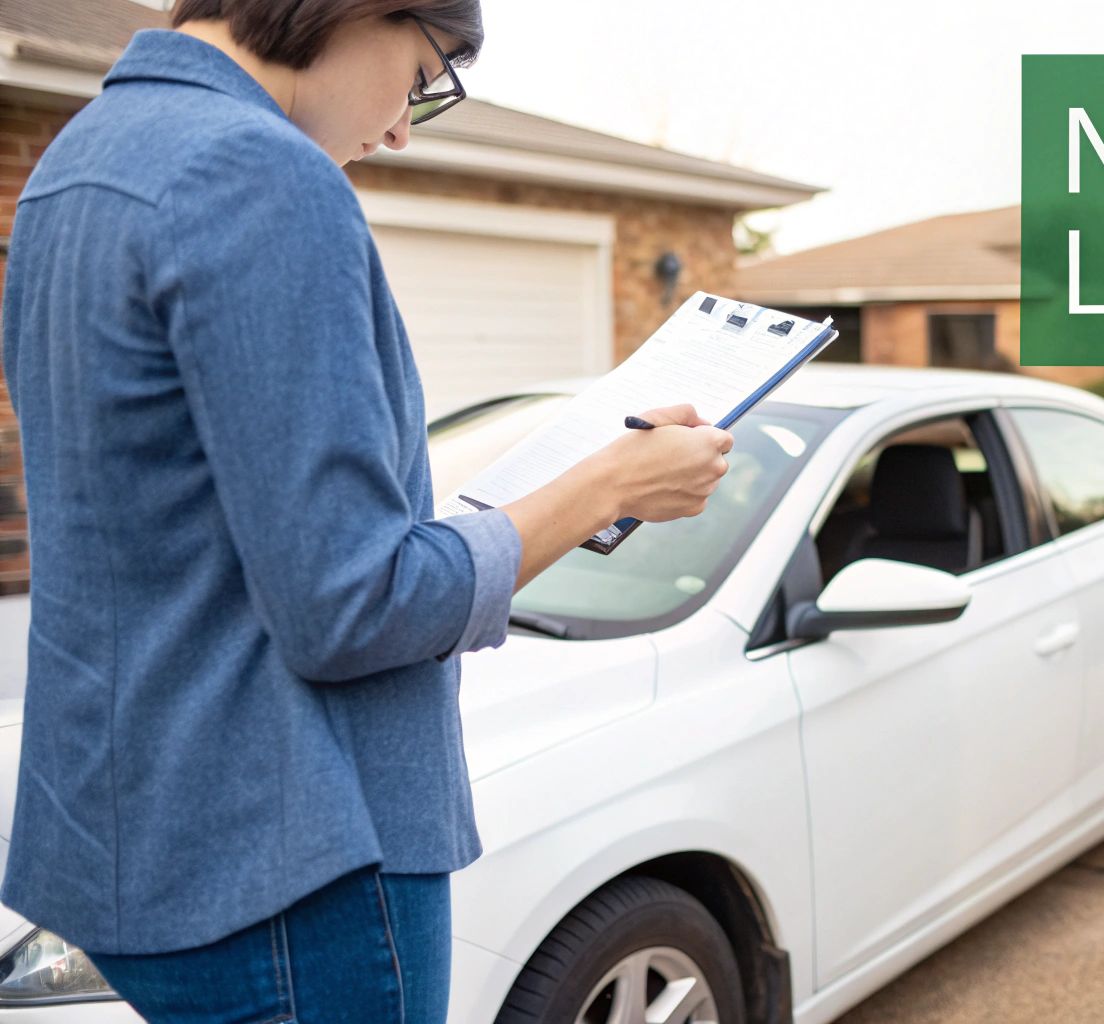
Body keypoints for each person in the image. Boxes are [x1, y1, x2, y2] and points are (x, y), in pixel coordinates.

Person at [0, 1, 733, 1020]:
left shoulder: (77, 167)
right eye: (426, 73)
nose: (399, 126)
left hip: (135, 832)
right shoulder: (260, 174)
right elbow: (355, 602)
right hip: (297, 856)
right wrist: (608, 486)